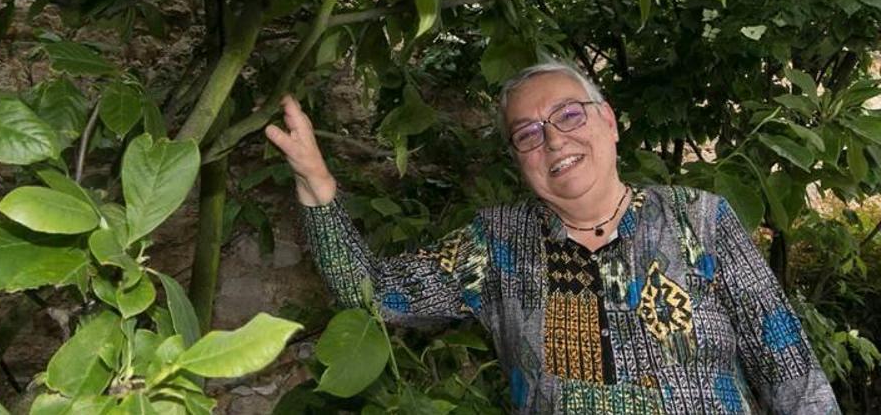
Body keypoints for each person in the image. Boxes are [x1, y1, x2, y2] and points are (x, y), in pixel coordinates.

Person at [265, 60, 840, 414]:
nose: (554, 141)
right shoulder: (498, 245)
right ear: (520, 160)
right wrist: (318, 187)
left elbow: (792, 371)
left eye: (569, 115)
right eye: (528, 133)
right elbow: (373, 295)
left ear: (608, 121)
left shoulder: (702, 220)